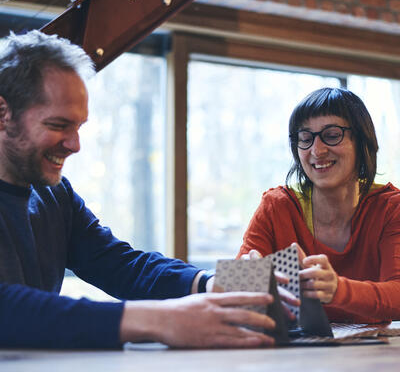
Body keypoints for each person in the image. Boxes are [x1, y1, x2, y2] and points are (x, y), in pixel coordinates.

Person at [0, 30, 279, 349]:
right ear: (3, 113)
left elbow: (119, 265)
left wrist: (213, 284)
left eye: (78, 127)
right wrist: (160, 319)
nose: (75, 145)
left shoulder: (56, 194)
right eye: (58, 125)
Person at [238, 87, 400, 324]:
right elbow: (234, 289)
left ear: (362, 141)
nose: (317, 150)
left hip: (372, 354)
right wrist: (244, 278)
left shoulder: (390, 208)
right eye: (305, 138)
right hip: (290, 353)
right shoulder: (276, 207)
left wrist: (338, 290)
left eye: (332, 135)